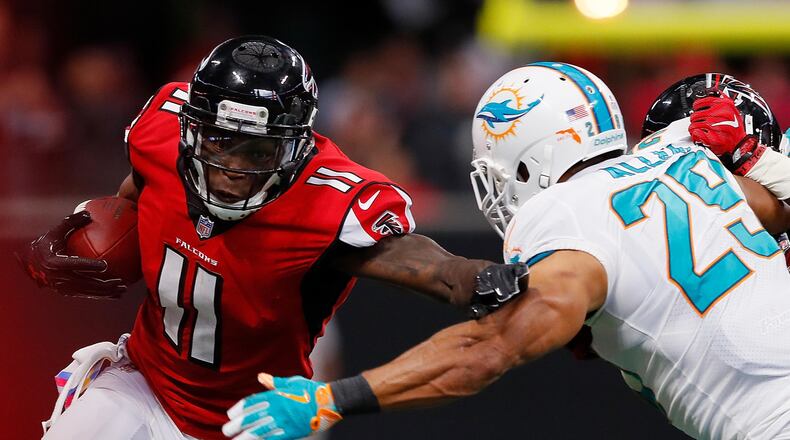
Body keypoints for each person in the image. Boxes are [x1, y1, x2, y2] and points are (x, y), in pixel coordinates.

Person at [224, 65, 790, 440]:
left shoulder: (565, 214)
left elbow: (489, 349)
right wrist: (762, 159)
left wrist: (331, 398)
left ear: (525, 162)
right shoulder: (688, 163)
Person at [16, 36, 527, 440]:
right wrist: (73, 238)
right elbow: (132, 199)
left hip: (251, 420)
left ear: (295, 146)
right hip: (143, 385)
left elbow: (429, 266)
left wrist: (482, 277)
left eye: (257, 151)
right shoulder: (161, 138)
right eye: (220, 140)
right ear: (193, 127)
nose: (232, 167)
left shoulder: (327, 202)